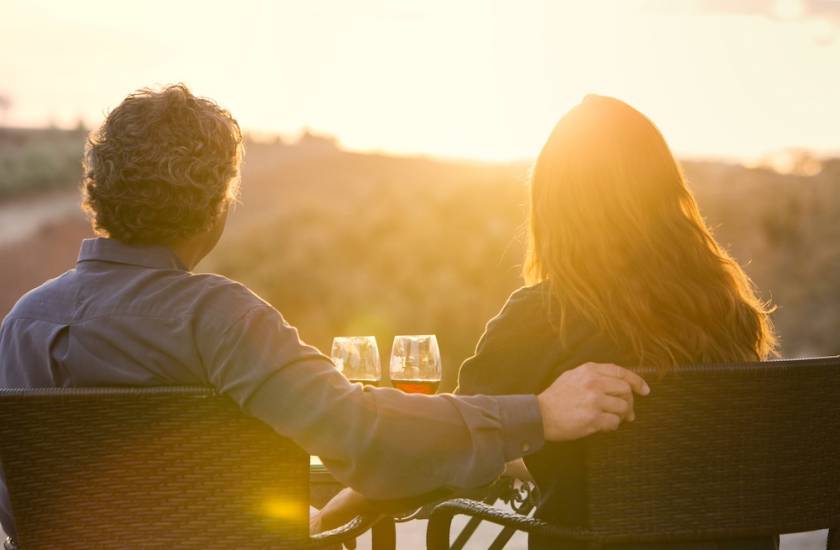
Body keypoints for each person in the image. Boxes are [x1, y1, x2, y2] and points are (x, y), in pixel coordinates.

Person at [0, 85, 650, 543]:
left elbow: (16, 506)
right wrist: (537, 413)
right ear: (217, 208)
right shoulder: (219, 320)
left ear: (96, 194)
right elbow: (364, 438)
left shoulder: (22, 325)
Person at [314, 96, 778, 549]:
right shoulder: (731, 313)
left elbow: (444, 445)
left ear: (555, 204)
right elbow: (677, 464)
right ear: (668, 193)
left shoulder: (547, 316)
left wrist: (325, 519)